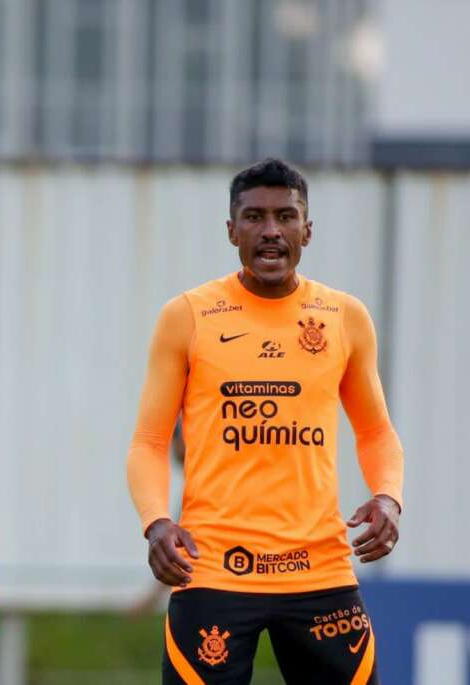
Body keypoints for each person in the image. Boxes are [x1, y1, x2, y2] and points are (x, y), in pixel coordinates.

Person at [126, 159, 403, 684]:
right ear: (232, 230)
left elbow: (376, 433)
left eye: (286, 216)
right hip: (212, 570)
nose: (271, 231)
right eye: (254, 217)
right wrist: (156, 522)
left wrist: (388, 496)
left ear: (308, 230)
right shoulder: (187, 316)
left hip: (318, 568)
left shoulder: (344, 317)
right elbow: (149, 440)